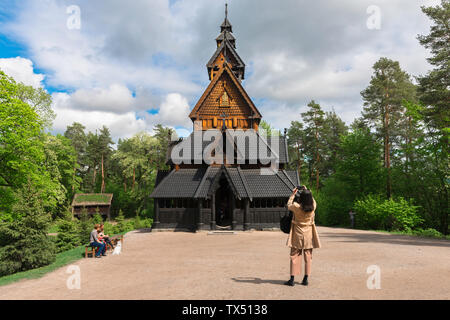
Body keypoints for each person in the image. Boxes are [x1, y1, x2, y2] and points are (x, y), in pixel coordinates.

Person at [285, 186, 321, 286]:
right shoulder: (313, 207)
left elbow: (288, 205)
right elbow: (313, 200)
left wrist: (293, 194)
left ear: (301, 198)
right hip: (308, 233)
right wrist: (307, 191)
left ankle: (292, 279)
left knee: (294, 255)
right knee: (308, 256)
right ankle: (305, 279)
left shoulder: (296, 207)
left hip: (297, 233)